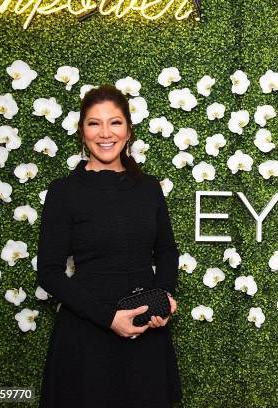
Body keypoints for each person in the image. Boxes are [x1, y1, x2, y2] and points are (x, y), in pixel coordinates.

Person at [36, 84, 182, 407]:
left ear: (128, 131)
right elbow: (48, 272)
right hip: (86, 339)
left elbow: (167, 252)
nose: (105, 133)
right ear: (82, 131)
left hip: (146, 335)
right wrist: (109, 318)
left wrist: (164, 298)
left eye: (114, 122)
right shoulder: (64, 192)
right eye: (94, 123)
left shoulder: (149, 189)